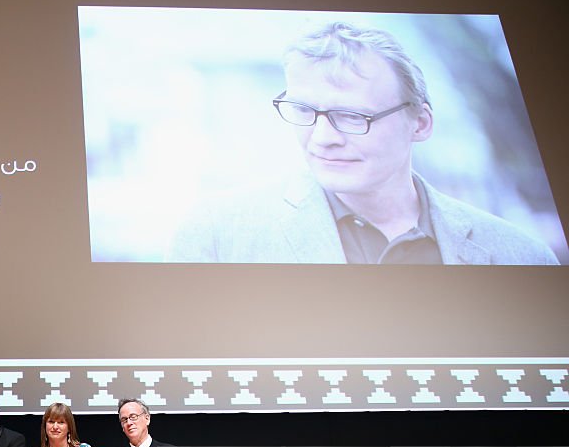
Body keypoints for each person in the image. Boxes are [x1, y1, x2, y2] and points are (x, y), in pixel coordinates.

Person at [170, 22, 560, 265]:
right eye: (304, 110)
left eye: (353, 117)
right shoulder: (216, 234)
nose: (323, 139)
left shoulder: (521, 255)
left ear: (420, 123)